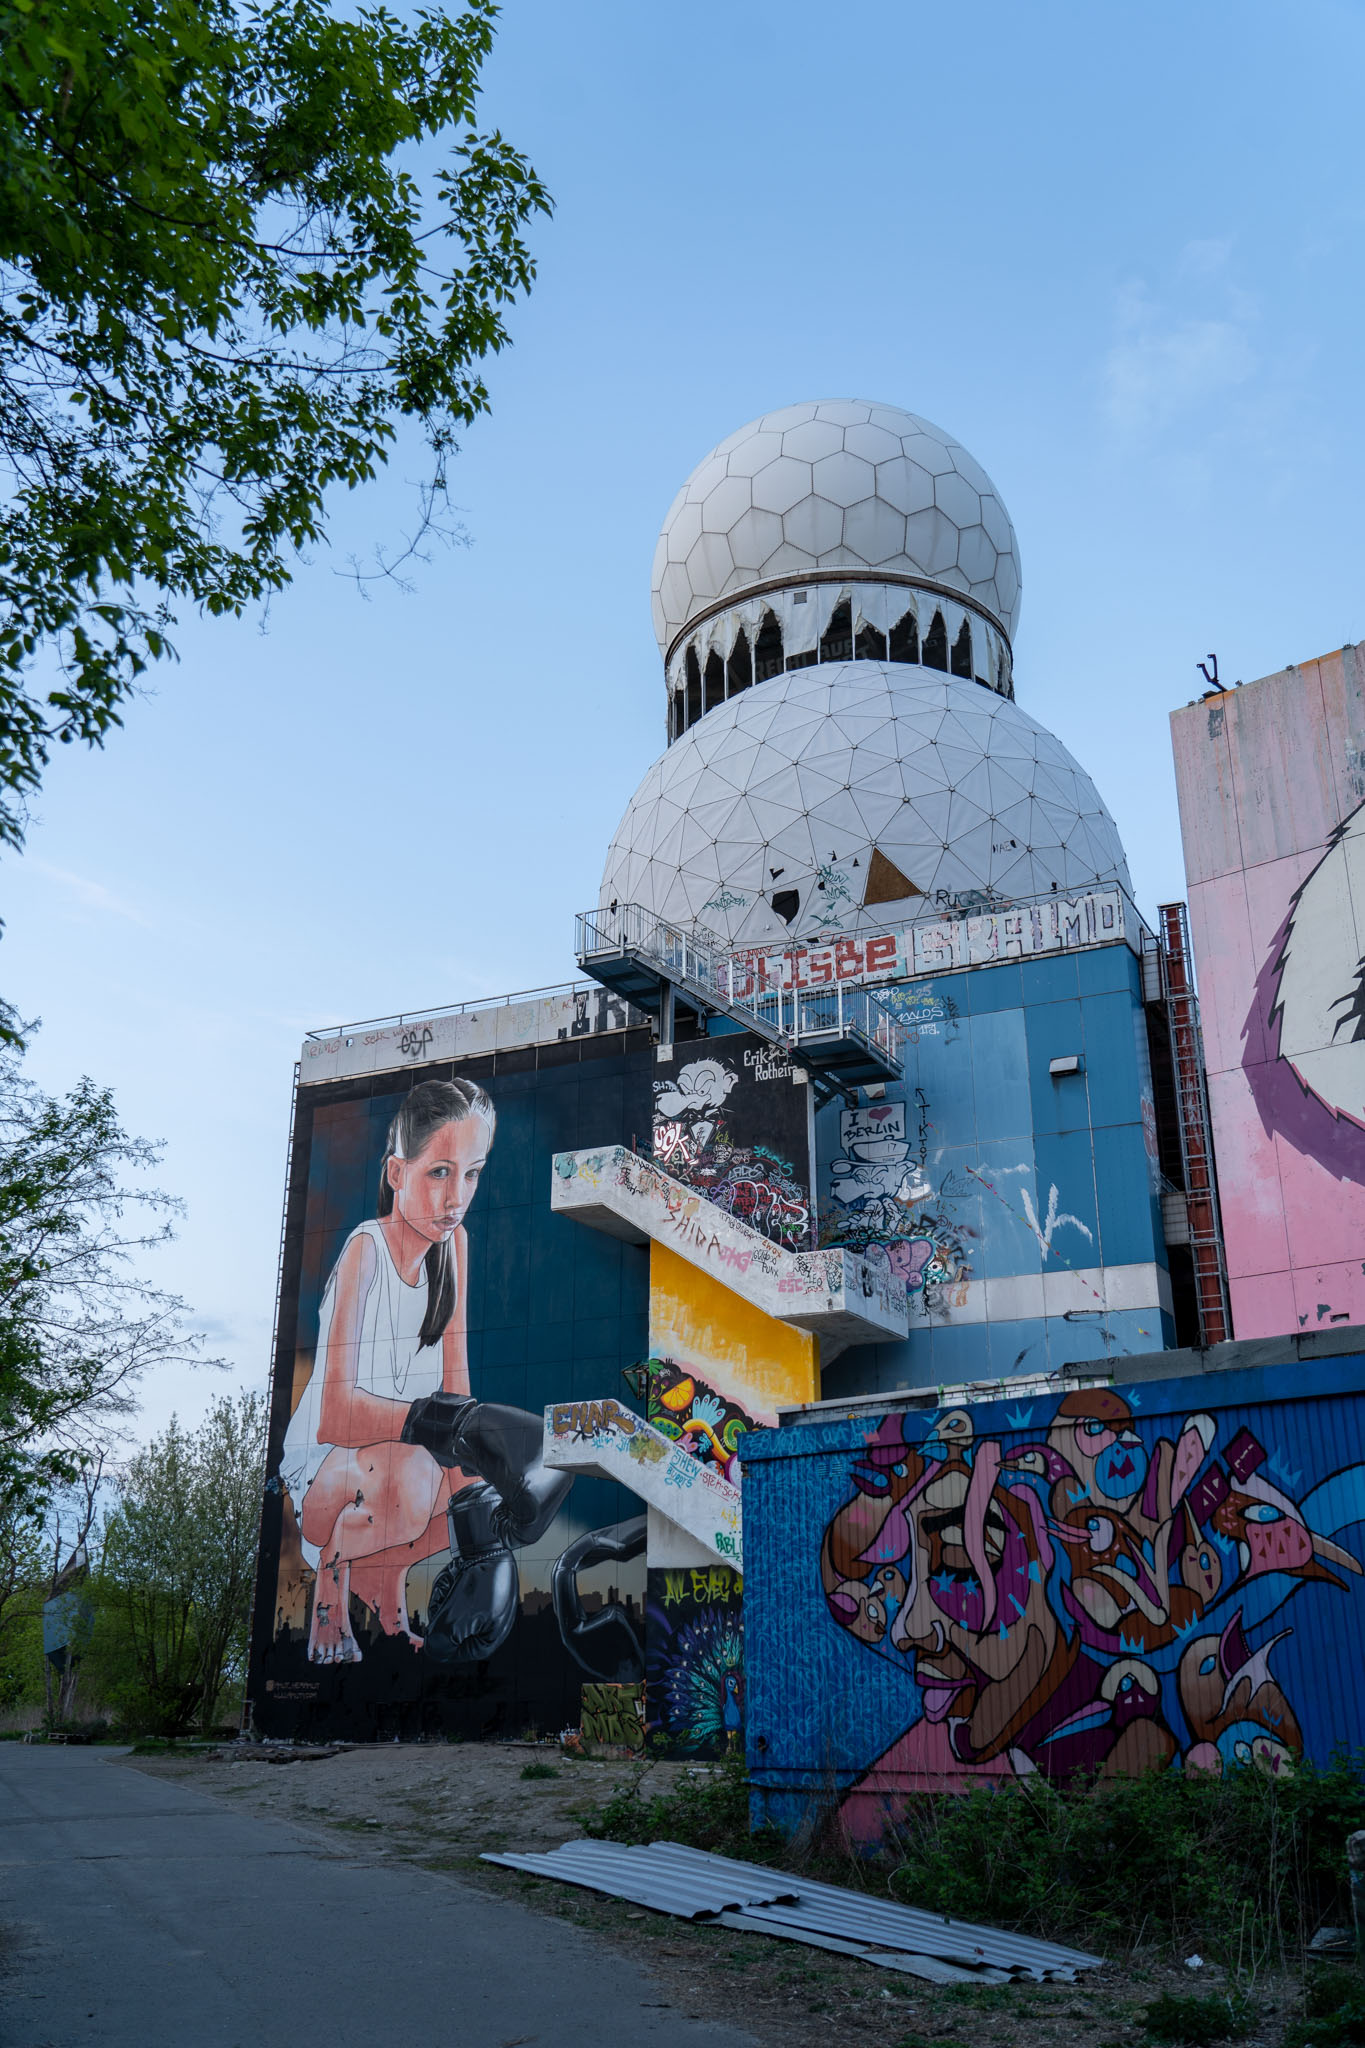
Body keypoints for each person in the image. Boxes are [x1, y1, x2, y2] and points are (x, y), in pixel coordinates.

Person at [280, 1079, 570, 1666]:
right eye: (439, 1171)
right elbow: (335, 1412)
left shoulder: (453, 1244)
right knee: (413, 1473)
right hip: (325, 1473)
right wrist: (442, 1423)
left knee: (485, 1503)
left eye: (472, 1173)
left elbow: (457, 1385)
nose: (456, 1196)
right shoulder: (365, 1248)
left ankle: (390, 1592)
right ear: (395, 1173)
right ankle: (331, 1584)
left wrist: (484, 1539)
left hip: (401, 1458)